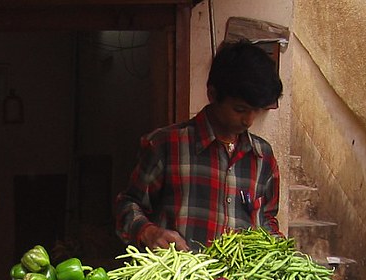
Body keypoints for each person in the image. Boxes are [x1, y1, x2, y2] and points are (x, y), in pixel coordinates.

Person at [115, 40, 284, 251]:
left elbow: (267, 218)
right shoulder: (166, 145)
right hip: (180, 279)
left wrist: (279, 251)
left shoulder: (263, 156)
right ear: (213, 95)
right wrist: (148, 232)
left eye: (256, 110)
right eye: (240, 109)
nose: (248, 120)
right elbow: (127, 204)